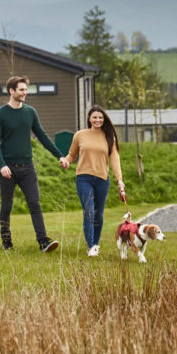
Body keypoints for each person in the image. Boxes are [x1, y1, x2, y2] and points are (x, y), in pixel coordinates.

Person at [0, 75, 66, 252]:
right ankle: (6, 240)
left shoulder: (30, 112)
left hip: (27, 168)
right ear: (11, 91)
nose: (25, 93)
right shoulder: (0, 114)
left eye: (26, 89)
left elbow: (42, 136)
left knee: (34, 204)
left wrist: (59, 156)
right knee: (7, 205)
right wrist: (2, 165)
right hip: (8, 168)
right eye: (22, 89)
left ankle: (43, 241)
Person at [61, 106, 125, 257]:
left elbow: (115, 160)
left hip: (102, 179)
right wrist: (66, 162)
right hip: (83, 178)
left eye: (100, 118)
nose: (97, 120)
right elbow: (71, 155)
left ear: (104, 120)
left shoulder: (109, 137)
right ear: (89, 118)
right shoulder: (80, 135)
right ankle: (90, 246)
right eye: (94, 117)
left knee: (99, 214)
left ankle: (96, 244)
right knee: (89, 211)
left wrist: (119, 180)